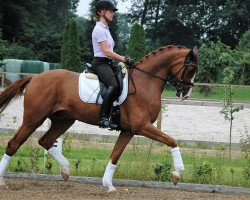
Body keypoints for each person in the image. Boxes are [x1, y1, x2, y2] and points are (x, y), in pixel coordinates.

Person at [92, 0, 134, 129]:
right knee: (113, 85)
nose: (113, 14)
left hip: (108, 63)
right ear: (101, 12)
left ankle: (116, 115)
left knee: (123, 82)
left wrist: (123, 60)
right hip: (100, 63)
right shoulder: (99, 29)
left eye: (112, 12)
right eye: (110, 11)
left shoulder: (106, 29)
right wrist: (123, 58)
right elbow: (106, 52)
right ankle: (103, 118)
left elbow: (110, 52)